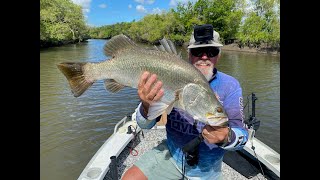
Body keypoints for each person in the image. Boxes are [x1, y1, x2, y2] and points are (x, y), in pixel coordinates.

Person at [122, 24, 249, 180]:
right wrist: (147, 105)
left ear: (219, 55)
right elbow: (144, 125)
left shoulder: (230, 86)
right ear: (189, 54)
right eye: (197, 51)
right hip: (172, 155)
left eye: (212, 51)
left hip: (207, 170)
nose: (204, 57)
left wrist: (227, 136)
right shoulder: (173, 74)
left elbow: (242, 135)